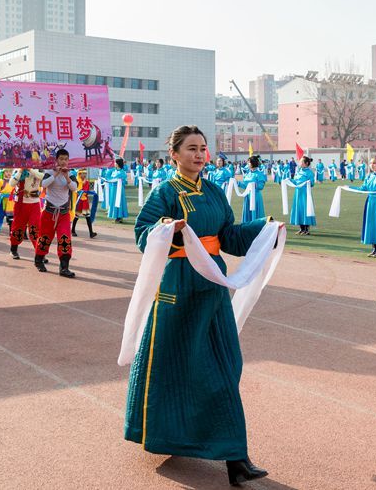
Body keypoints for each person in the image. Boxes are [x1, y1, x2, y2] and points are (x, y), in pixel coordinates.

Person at [126, 125, 270, 486]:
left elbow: (230, 239)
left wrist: (265, 227)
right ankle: (234, 459)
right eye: (191, 148)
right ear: (174, 154)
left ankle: (232, 454)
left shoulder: (215, 191)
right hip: (178, 288)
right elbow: (143, 236)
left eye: (203, 148)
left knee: (225, 365)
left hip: (213, 287)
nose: (199, 154)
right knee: (172, 367)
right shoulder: (165, 192)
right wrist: (167, 228)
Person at [34, 149, 76, 277]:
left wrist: (66, 176)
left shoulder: (71, 173)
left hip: (63, 212)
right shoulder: (49, 172)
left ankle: (64, 268)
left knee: (65, 238)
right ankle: (39, 260)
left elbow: (74, 188)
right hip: (49, 211)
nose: (64, 161)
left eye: (66, 159)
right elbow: (43, 184)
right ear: (56, 160)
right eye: (61, 159)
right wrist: (56, 173)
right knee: (45, 238)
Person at [8, 167, 44, 260]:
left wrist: (30, 170)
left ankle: (39, 253)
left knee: (35, 228)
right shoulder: (17, 170)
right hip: (20, 203)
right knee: (18, 227)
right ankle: (13, 249)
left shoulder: (39, 169)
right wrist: (20, 171)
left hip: (34, 203)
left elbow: (43, 178)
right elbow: (11, 183)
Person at [289, 156, 316, 235]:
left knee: (305, 209)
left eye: (301, 162)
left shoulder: (309, 172)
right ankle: (301, 228)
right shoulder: (299, 171)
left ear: (306, 163)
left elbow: (312, 183)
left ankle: (306, 229)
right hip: (298, 193)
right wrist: (289, 180)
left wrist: (308, 182)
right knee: (299, 210)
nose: (299, 163)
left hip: (305, 193)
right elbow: (296, 181)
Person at [237, 155, 267, 223]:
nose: (248, 164)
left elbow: (261, 186)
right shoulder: (248, 174)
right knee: (248, 211)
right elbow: (245, 186)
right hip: (247, 196)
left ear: (253, 163)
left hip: (255, 196)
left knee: (255, 212)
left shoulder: (259, 174)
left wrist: (254, 185)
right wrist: (237, 183)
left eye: (249, 162)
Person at [72, 168, 97, 239]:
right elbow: (77, 191)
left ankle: (91, 232)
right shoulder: (76, 181)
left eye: (86, 173)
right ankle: (73, 230)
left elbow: (86, 191)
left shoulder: (87, 182)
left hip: (85, 201)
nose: (85, 175)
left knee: (88, 217)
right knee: (76, 216)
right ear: (80, 174)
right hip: (79, 201)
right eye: (84, 173)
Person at [107, 158, 130, 223]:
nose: (114, 164)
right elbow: (108, 177)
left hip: (119, 189)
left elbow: (124, 181)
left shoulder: (122, 172)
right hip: (113, 189)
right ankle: (116, 216)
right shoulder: (115, 171)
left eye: (115, 163)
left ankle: (119, 217)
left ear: (118, 164)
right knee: (114, 202)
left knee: (119, 202)